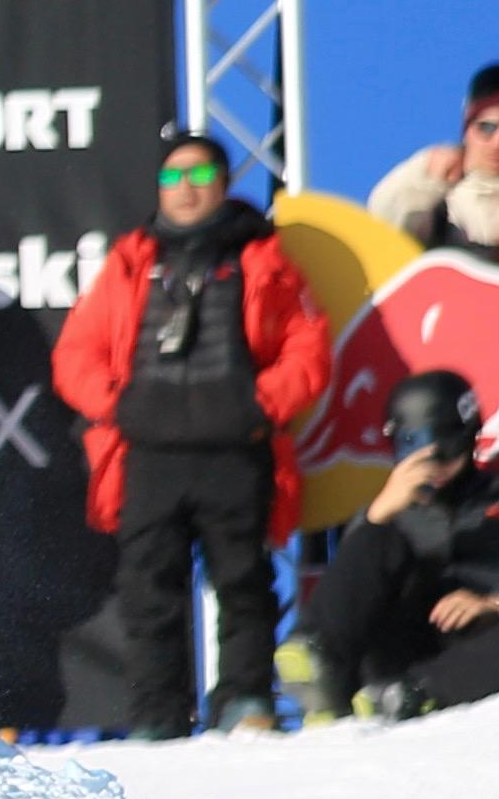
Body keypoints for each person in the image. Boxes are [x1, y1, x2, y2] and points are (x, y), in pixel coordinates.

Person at [52, 131, 331, 735]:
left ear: (224, 185)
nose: (186, 190)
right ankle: (158, 716)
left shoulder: (264, 255)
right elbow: (77, 350)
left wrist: (258, 405)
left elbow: (307, 348)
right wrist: (120, 405)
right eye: (174, 178)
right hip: (150, 453)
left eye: (200, 177)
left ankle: (245, 702)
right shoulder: (130, 260)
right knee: (149, 591)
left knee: (244, 582)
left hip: (235, 449)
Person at [304, 368, 499, 718]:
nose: (431, 463)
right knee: (376, 541)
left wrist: (494, 603)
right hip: (403, 645)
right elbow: (352, 592)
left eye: (443, 447)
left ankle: (411, 694)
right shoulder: (386, 515)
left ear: (469, 437)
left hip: (486, 649)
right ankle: (317, 661)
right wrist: (379, 515)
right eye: (412, 446)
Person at [367, 62, 499, 256]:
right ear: (467, 128)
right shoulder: (431, 188)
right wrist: (425, 180)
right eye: (487, 127)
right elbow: (381, 224)